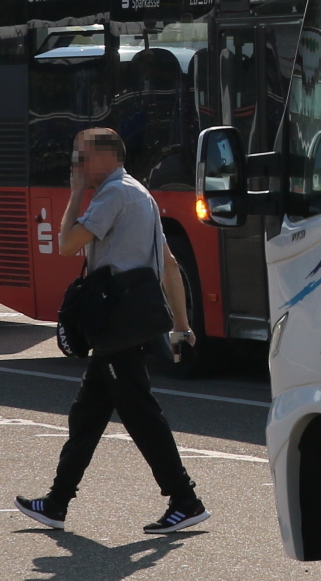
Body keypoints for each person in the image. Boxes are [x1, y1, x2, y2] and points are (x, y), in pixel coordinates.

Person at [13, 127, 207, 534]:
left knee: (141, 414)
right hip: (125, 321)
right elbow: (169, 264)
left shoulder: (114, 194)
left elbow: (67, 243)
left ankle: (185, 500)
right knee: (87, 415)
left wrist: (74, 194)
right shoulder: (140, 194)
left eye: (82, 157)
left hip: (119, 321)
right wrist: (181, 325)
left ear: (107, 158)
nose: (76, 165)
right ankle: (56, 503)